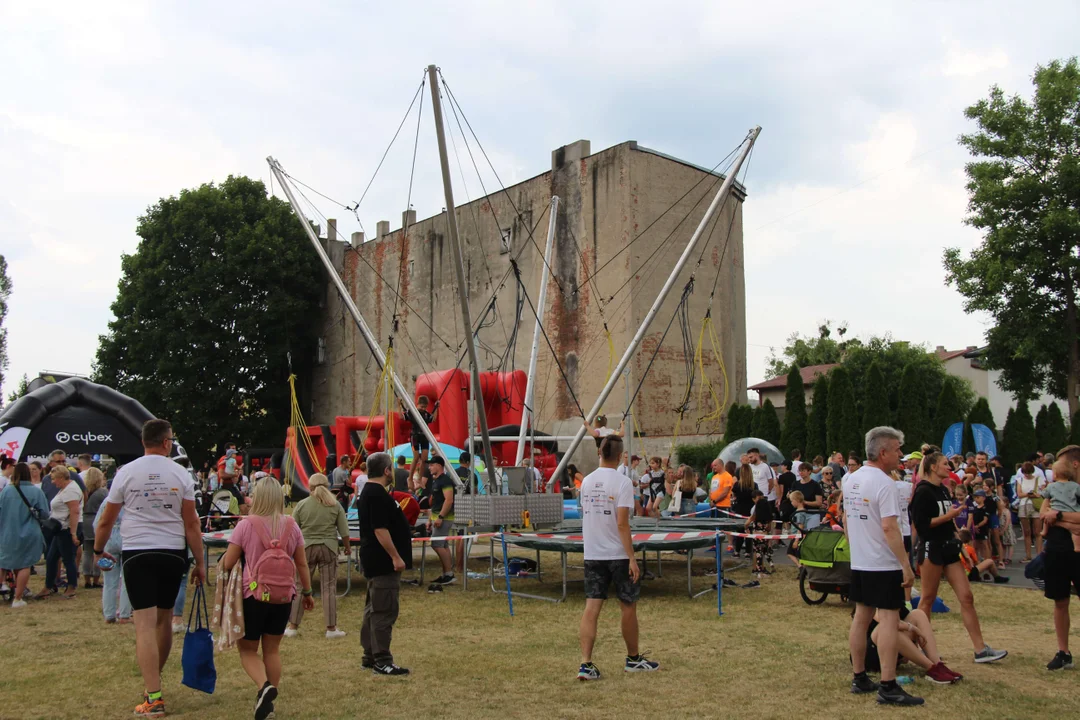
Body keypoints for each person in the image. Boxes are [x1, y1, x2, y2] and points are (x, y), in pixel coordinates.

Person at [94, 419, 206, 718]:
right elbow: (192, 522)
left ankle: (154, 695)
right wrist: (201, 561)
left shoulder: (125, 472)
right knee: (164, 620)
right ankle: (152, 687)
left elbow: (107, 519)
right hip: (173, 551)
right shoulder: (180, 472)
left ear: (145, 441)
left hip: (138, 552)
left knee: (143, 624)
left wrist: (96, 549)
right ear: (166, 442)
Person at [843, 426, 922, 706]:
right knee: (888, 620)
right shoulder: (885, 483)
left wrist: (857, 548)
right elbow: (890, 527)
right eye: (898, 449)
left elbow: (847, 519)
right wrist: (906, 565)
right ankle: (888, 685)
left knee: (861, 617)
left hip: (862, 561)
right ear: (883, 452)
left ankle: (859, 676)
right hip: (883, 562)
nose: (902, 454)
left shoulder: (850, 479)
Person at [222, 477, 313, 720]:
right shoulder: (291, 525)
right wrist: (307, 591)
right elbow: (302, 563)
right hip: (283, 596)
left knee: (248, 650)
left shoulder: (245, 525)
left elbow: (229, 562)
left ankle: (264, 687)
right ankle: (268, 704)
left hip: (252, 596)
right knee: (272, 650)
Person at [910, 451, 1008, 664]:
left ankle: (980, 649)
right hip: (931, 548)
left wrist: (958, 536)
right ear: (933, 467)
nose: (950, 467)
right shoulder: (923, 492)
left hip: (949, 547)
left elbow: (947, 521)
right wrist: (950, 515)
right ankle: (923, 648)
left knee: (966, 596)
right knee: (927, 599)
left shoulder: (944, 490)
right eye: (945, 464)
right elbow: (922, 524)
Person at [577, 435, 658, 680]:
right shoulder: (622, 483)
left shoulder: (587, 482)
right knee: (628, 606)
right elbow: (622, 524)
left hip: (592, 552)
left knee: (592, 607)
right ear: (621, 455)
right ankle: (633, 659)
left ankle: (586, 663)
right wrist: (632, 558)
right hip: (618, 555)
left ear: (600, 452)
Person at [355, 452, 412, 675]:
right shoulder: (377, 494)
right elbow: (380, 529)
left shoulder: (369, 492)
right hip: (382, 562)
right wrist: (396, 557)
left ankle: (370, 654)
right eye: (391, 469)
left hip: (374, 560)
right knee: (384, 610)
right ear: (387, 470)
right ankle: (382, 659)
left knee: (373, 608)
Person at [285, 473, 350, 640]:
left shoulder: (302, 504)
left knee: (300, 586)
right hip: (329, 548)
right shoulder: (335, 505)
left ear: (310, 486)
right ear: (327, 485)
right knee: (328, 588)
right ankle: (331, 628)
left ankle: (292, 627)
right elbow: (344, 531)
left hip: (305, 548)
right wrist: (348, 548)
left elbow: (293, 528)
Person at [1039, 445, 1080, 670]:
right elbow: (1044, 514)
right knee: (1060, 601)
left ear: (1074, 464)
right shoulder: (1054, 489)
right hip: (1057, 548)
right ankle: (1063, 652)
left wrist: (1061, 516)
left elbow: (1054, 514)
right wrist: (1070, 523)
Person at [859, 606, 961, 684]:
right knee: (890, 629)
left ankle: (938, 664)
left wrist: (914, 642)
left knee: (918, 614)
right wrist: (913, 629)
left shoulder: (894, 594)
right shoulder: (873, 595)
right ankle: (931, 669)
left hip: (891, 652)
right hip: (871, 656)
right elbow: (888, 622)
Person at [0, 463, 49, 608]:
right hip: (29, 532)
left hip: (7, 532)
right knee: (24, 564)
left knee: (3, 562)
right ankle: (18, 598)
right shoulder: (36, 492)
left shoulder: (6, 491)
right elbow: (45, 514)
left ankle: (3, 584)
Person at [36, 466, 82, 599]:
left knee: (68, 559)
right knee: (51, 558)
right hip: (60, 529)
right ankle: (48, 586)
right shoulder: (65, 489)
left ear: (61, 478)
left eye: (54, 479)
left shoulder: (71, 491)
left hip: (66, 530)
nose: (52, 482)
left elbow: (74, 511)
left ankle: (71, 587)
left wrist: (73, 533)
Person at [427, 456, 457, 586]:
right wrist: (430, 519)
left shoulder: (445, 481)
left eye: (431, 465)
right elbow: (435, 503)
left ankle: (449, 574)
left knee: (437, 545)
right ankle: (446, 574)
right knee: (443, 545)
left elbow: (449, 500)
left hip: (444, 518)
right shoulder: (436, 481)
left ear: (439, 465)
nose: (429, 467)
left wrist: (440, 517)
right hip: (437, 517)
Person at [80, 467, 108, 589]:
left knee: (87, 551)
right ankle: (96, 579)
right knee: (98, 551)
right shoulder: (103, 492)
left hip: (85, 520)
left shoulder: (84, 491)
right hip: (97, 520)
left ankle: (86, 578)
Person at [1015, 461, 1042, 561]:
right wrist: (1029, 494)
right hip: (1024, 505)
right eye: (1025, 472)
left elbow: (1042, 493)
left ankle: (1040, 555)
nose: (1026, 474)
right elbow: (1019, 494)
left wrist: (1032, 494)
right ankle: (1028, 555)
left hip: (1035, 505)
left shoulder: (1038, 479)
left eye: (1028, 472)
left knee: (1038, 532)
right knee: (1027, 532)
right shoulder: (1020, 479)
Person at [745, 489, 774, 577]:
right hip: (764, 535)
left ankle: (758, 570)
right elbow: (769, 527)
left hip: (756, 535)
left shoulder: (755, 514)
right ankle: (763, 568)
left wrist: (746, 528)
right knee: (763, 552)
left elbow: (748, 522)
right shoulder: (768, 517)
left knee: (757, 553)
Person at [730, 463, 756, 558]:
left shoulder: (737, 485)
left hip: (739, 510)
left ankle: (737, 551)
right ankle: (748, 552)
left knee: (739, 532)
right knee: (749, 532)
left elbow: (734, 496)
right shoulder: (754, 485)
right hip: (750, 511)